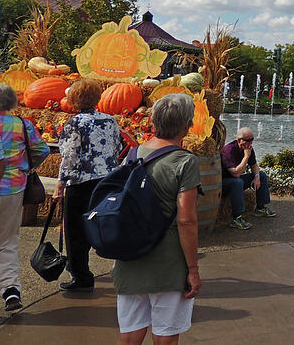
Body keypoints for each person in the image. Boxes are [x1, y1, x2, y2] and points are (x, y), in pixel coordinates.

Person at [113, 93, 201, 344]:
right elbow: (186, 220)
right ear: (187, 126)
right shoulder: (185, 161)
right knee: (165, 335)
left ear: (153, 121)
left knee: (130, 333)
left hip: (131, 254)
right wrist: (193, 269)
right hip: (168, 260)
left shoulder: (133, 154)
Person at [53, 79, 123, 292]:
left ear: (74, 99)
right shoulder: (110, 120)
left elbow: (69, 155)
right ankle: (120, 269)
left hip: (81, 181)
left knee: (76, 232)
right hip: (107, 181)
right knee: (105, 225)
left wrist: (60, 183)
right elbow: (118, 146)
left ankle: (82, 276)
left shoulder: (75, 123)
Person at [0, 84, 49, 312]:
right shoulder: (22, 125)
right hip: (12, 189)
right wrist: (25, 166)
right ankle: (10, 290)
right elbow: (42, 150)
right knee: (5, 242)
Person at [221, 127, 276, 230]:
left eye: (252, 140)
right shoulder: (228, 150)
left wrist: (257, 177)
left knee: (262, 175)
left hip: (236, 180)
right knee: (238, 182)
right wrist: (246, 157)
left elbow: (254, 165)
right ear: (239, 140)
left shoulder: (248, 148)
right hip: (223, 183)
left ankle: (260, 208)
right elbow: (236, 173)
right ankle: (237, 218)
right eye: (247, 141)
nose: (250, 143)